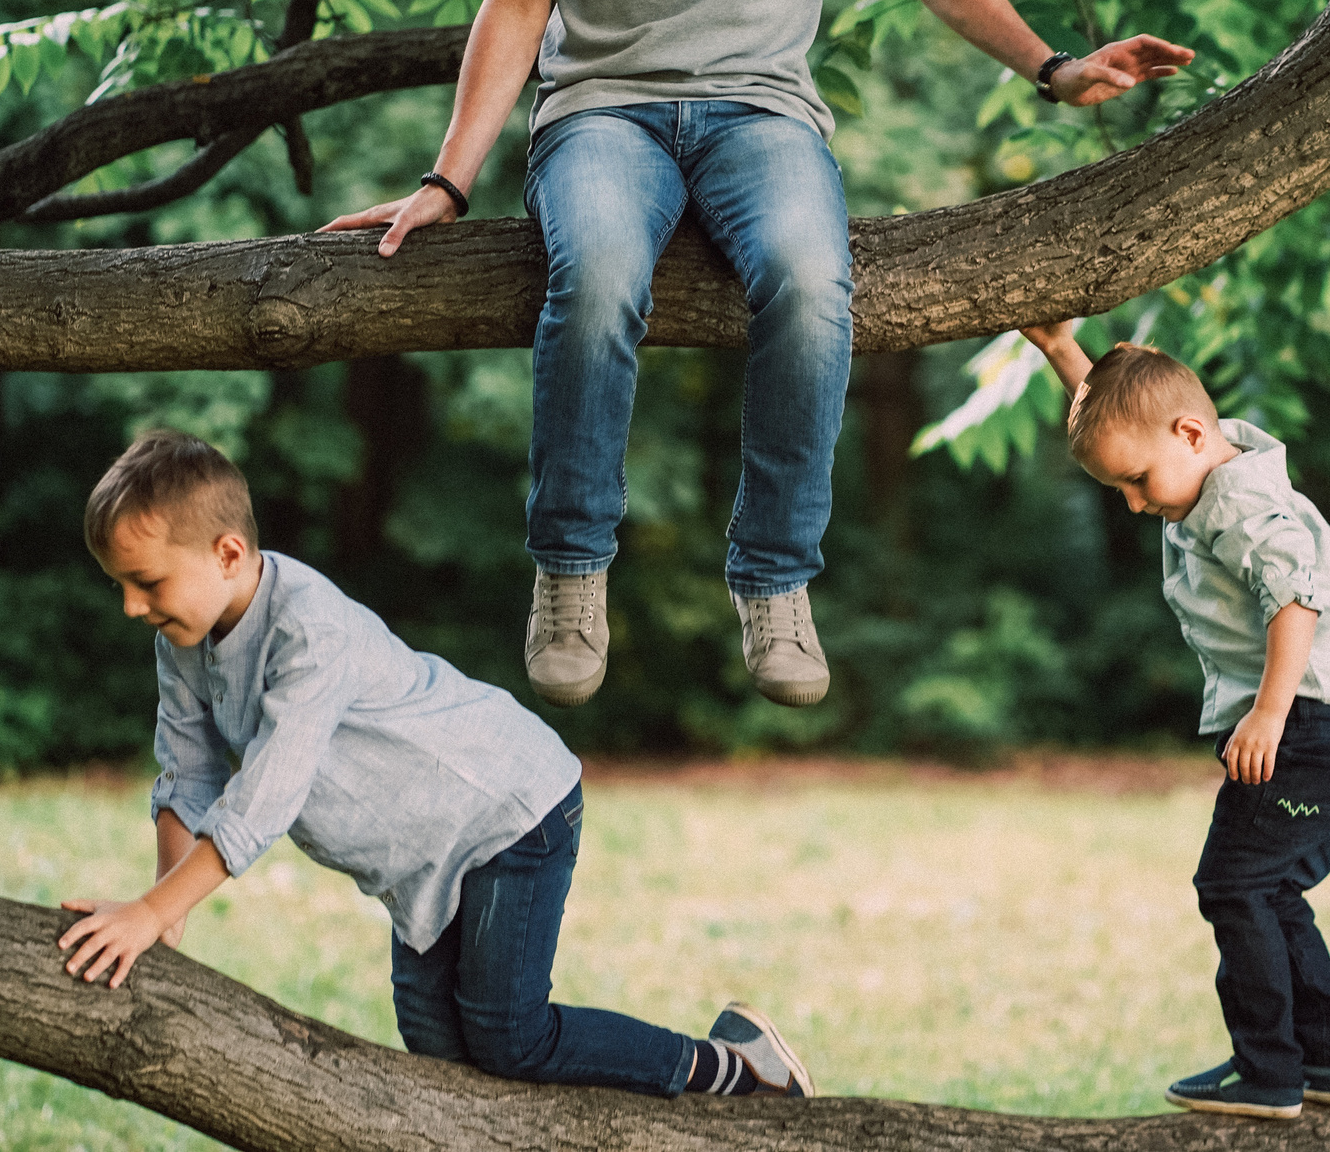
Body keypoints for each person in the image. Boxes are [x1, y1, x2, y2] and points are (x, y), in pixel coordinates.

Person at [320, 0, 1190, 713]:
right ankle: (571, 569)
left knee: (807, 276)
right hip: (603, 112)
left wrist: (1054, 66)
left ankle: (775, 583)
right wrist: (446, 179)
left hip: (761, 114)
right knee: (601, 274)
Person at [56, 429, 813, 1102]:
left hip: (508, 813)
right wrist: (167, 906)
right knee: (443, 1072)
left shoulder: (306, 628)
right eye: (119, 584)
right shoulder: (181, 640)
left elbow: (264, 796)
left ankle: (732, 1066)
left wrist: (150, 911)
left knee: (509, 1036)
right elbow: (188, 773)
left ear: (227, 552)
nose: (129, 606)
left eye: (146, 582)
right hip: (420, 864)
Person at [1019, 322, 1330, 1119]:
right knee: (1271, 889)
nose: (1135, 501)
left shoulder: (1241, 504)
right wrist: (1060, 352)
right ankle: (1326, 1063)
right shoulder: (1203, 465)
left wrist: (1268, 713)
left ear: (1192, 434)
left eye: (1139, 482)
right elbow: (1129, 419)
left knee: (1233, 883)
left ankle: (1270, 1073)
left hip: (1310, 728)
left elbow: (1296, 596)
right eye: (1122, 486)